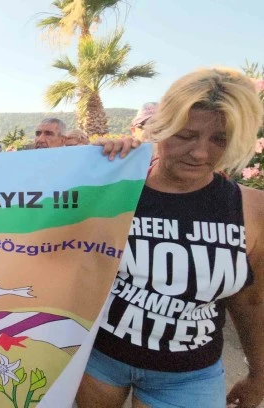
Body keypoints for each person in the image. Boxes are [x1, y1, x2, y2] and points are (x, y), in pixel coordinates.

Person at [76, 68, 264, 408]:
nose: (200, 153)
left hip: (190, 375)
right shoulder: (115, 187)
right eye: (185, 135)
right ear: (161, 126)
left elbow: (252, 301)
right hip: (99, 357)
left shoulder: (251, 210)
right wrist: (91, 165)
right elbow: (48, 242)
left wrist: (260, 376)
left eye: (220, 140)